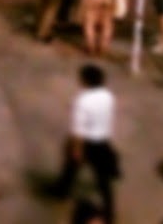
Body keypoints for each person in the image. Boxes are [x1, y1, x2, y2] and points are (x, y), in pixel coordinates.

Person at [53, 64, 119, 222]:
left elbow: (78, 129)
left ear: (85, 80)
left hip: (87, 142)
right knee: (103, 180)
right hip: (103, 141)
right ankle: (109, 211)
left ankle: (62, 191)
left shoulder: (82, 101)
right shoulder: (108, 96)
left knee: (71, 166)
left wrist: (77, 149)